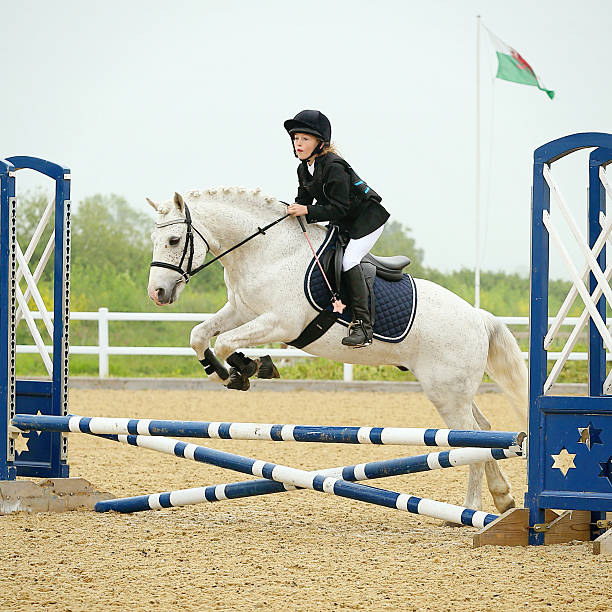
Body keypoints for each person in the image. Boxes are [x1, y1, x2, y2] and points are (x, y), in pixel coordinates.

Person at [284, 109, 390, 347]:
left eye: (305, 139)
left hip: (366, 221)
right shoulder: (304, 168)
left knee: (349, 260)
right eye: (295, 138)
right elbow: (303, 201)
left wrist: (307, 212)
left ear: (320, 142)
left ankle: (364, 326)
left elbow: (339, 208)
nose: (298, 144)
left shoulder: (334, 167)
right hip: (343, 222)